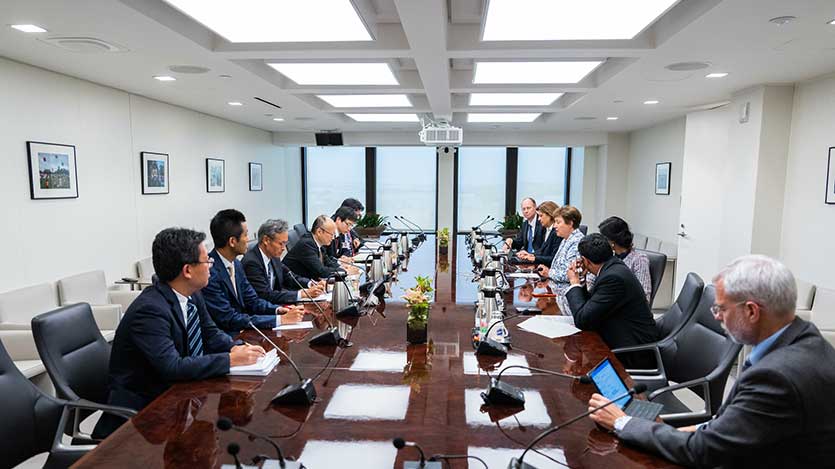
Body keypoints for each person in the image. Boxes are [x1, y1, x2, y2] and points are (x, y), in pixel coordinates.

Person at [588, 255, 835, 468]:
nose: (717, 317)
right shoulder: (806, 337)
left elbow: (704, 451)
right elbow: (735, 426)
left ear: (751, 311)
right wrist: (663, 432)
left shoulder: (776, 378)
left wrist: (621, 422)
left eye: (721, 309)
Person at [93, 228, 266, 437]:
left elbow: (210, 333)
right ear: (187, 270)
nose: (211, 266)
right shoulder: (150, 310)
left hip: (181, 396)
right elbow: (172, 367)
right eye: (206, 262)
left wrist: (238, 348)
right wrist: (230, 360)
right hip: (144, 416)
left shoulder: (191, 293)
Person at [202, 209, 305, 335]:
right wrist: (280, 320)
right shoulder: (209, 272)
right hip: (227, 338)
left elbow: (253, 301)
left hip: (244, 330)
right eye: (245, 235)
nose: (248, 239)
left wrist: (279, 310)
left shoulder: (237, 264)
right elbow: (229, 318)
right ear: (232, 242)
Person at [565, 234, 659, 365]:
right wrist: (581, 280)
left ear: (585, 260)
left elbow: (582, 320)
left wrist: (574, 282)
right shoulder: (612, 268)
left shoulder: (613, 278)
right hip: (621, 338)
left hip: (631, 352)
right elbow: (589, 306)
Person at [241, 219, 325, 305]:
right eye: (281, 243)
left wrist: (310, 284)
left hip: (276, 304)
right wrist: (302, 294)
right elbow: (265, 295)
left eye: (285, 243)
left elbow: (289, 276)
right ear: (266, 240)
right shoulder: (252, 263)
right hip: (263, 311)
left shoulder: (273, 256)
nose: (283, 248)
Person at [536, 205, 584, 314]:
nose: (554, 226)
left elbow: (570, 275)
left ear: (571, 223)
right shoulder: (566, 239)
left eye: (558, 222)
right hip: (558, 294)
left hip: (568, 299)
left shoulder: (577, 242)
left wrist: (549, 272)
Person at [592, 216, 651, 304]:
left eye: (603, 238)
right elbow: (592, 281)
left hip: (624, 309)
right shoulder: (608, 256)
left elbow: (644, 296)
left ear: (612, 242)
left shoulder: (639, 260)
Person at [284, 215, 349, 280]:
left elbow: (328, 262)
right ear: (319, 232)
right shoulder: (307, 244)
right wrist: (344, 272)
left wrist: (343, 268)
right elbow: (320, 271)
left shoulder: (318, 244)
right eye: (331, 234)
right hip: (294, 285)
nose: (333, 238)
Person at [514, 200, 562, 265]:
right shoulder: (548, 230)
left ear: (550, 215)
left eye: (541, 216)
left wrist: (534, 258)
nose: (539, 219)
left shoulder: (557, 232)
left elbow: (554, 258)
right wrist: (529, 255)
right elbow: (542, 251)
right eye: (523, 209)